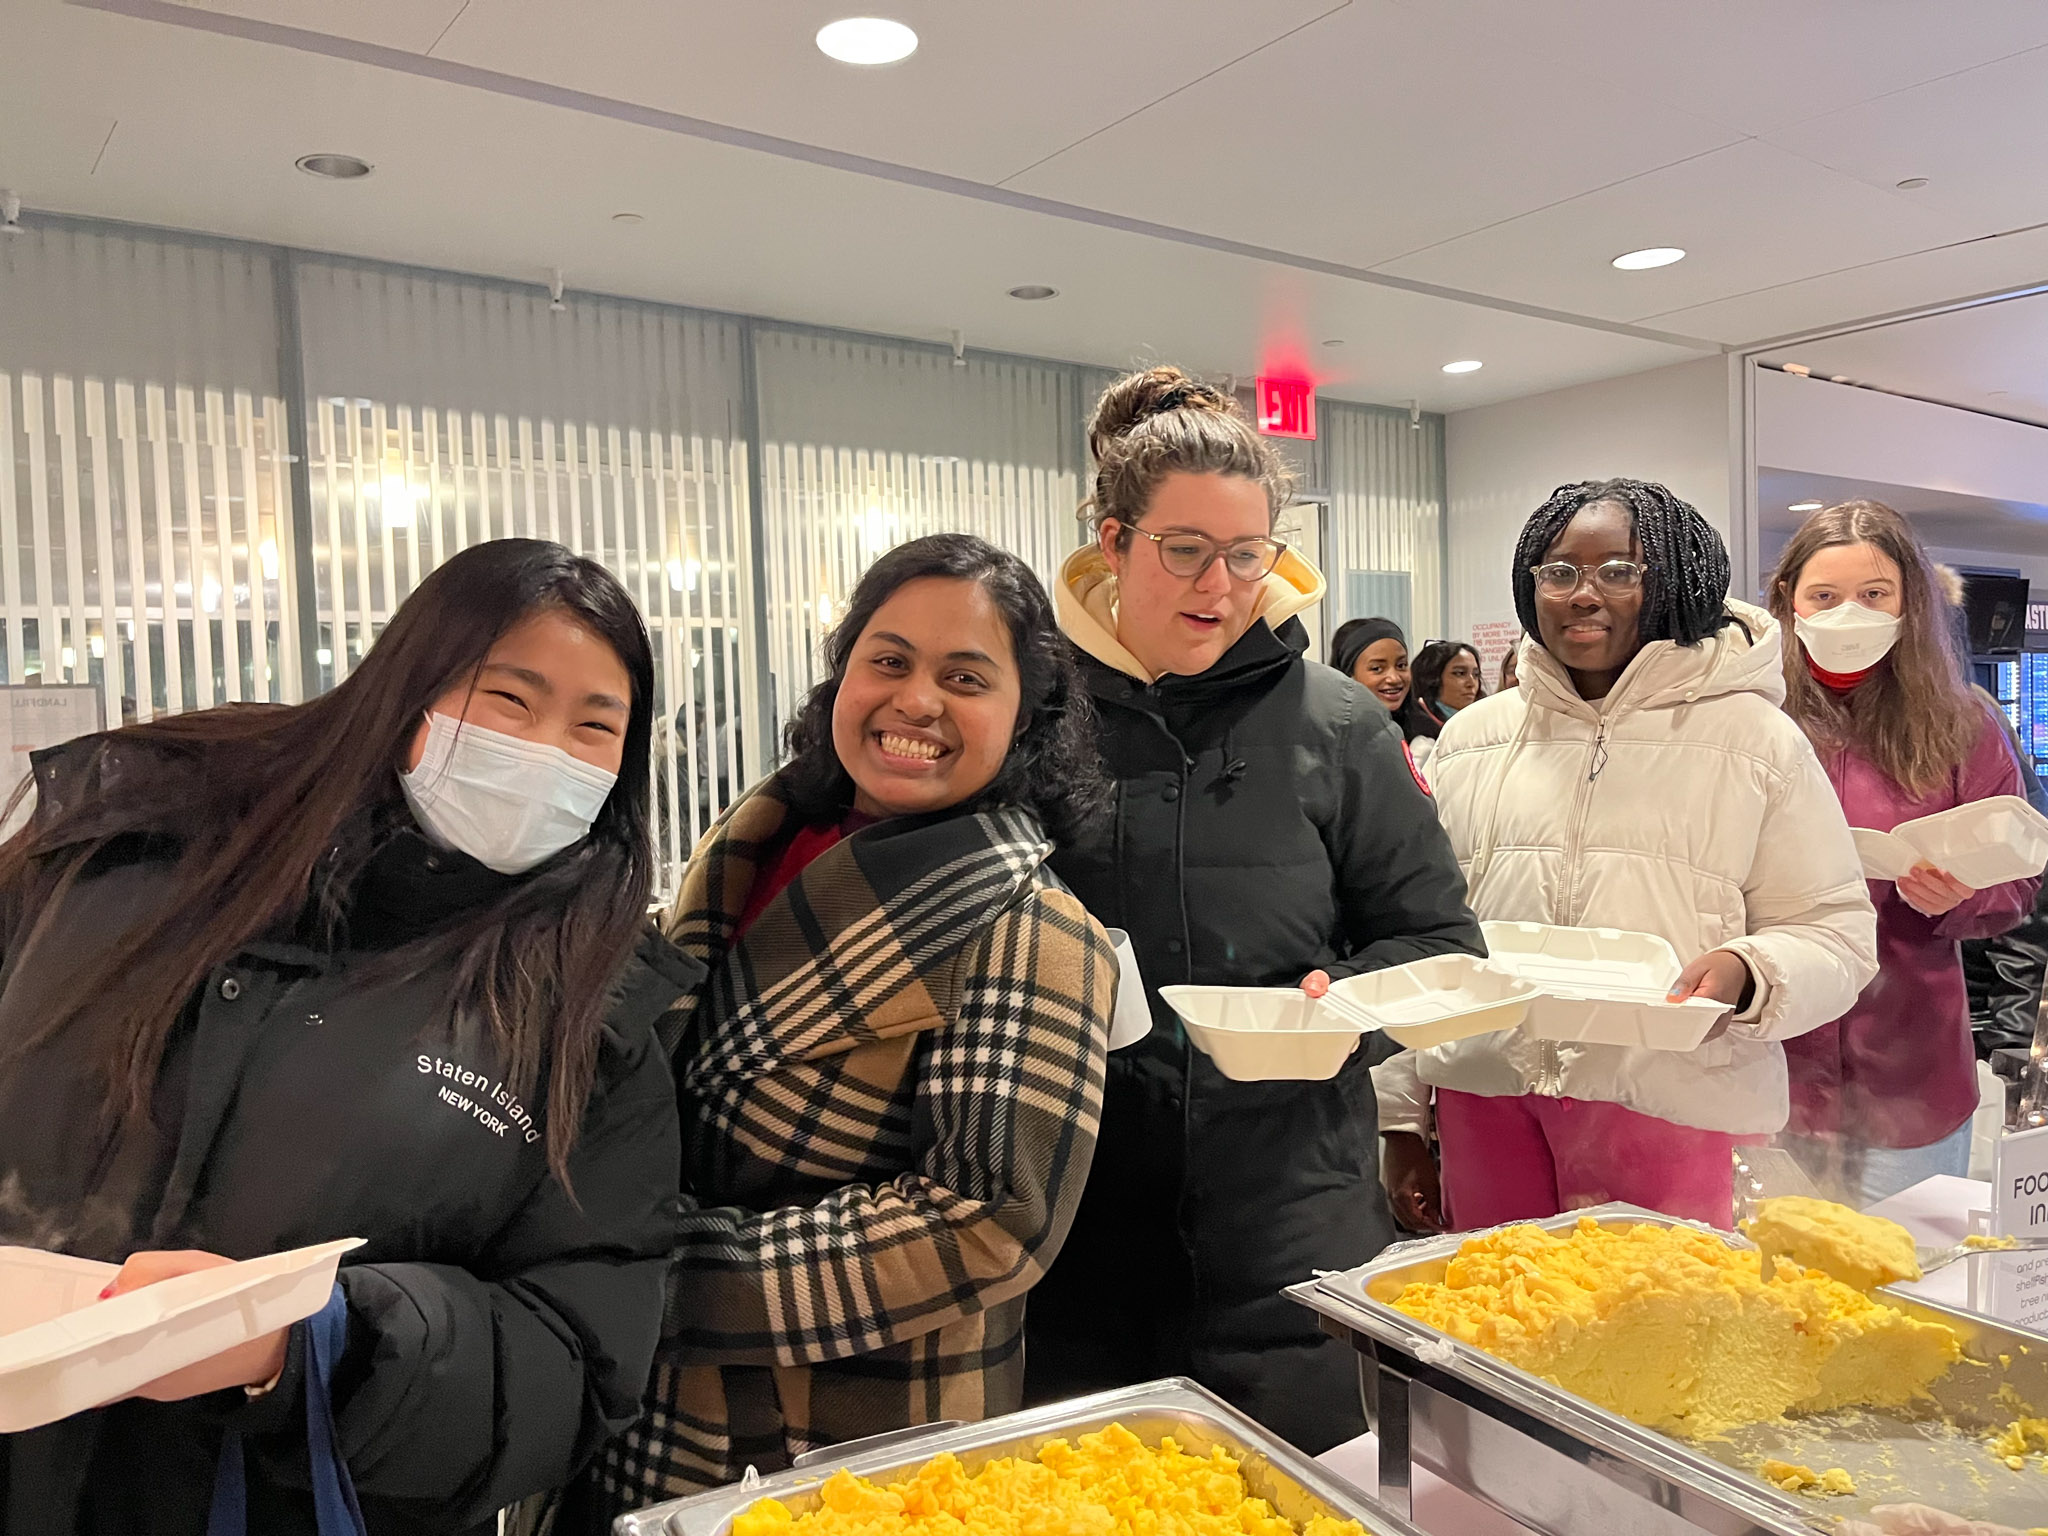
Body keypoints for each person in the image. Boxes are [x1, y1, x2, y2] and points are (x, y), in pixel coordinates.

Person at [0, 539, 700, 1535]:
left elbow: (572, 1359)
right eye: (509, 700)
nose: (544, 750)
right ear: (405, 690)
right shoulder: (127, 850)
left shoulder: (591, 1015)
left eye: (594, 729)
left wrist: (306, 1343)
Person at [587, 534, 1117, 1510]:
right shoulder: (760, 834)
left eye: (964, 676)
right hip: (643, 1392)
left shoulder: (1030, 929)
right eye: (888, 660)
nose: (915, 701)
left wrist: (660, 1277)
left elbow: (984, 1222)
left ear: (1027, 717)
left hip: (838, 1435)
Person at [1024, 367, 1482, 1455]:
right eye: (1184, 549)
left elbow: (1436, 939)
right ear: (1114, 540)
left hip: (1290, 1217)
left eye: (1247, 555)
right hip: (1074, 1222)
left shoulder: (1334, 724)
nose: (1218, 584)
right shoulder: (1034, 713)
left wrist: (1344, 1011)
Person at [1377, 479, 1877, 1234]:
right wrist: (1401, 1119)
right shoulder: (1473, 739)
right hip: (1486, 1100)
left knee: (1660, 1338)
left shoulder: (1756, 740)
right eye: (1559, 572)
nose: (1584, 594)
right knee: (1494, 1328)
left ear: (1673, 579)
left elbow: (1835, 933)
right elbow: (1422, 942)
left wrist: (1750, 973)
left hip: (1674, 1101)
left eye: (1619, 571)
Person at [1768, 501, 2040, 1205]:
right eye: (1824, 597)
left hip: (1909, 1066)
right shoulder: (1755, 718)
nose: (1848, 614)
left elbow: (2019, 885)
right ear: (1789, 603)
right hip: (1775, 1064)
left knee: (1904, 1284)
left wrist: (1963, 894)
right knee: (1782, 1288)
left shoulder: (1963, 723)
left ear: (1909, 604)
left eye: (1873, 595)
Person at [1407, 640, 1487, 745]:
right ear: (1432, 679)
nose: (1471, 683)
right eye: (1460, 673)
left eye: (1476, 674)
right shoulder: (1422, 740)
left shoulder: (1486, 723)